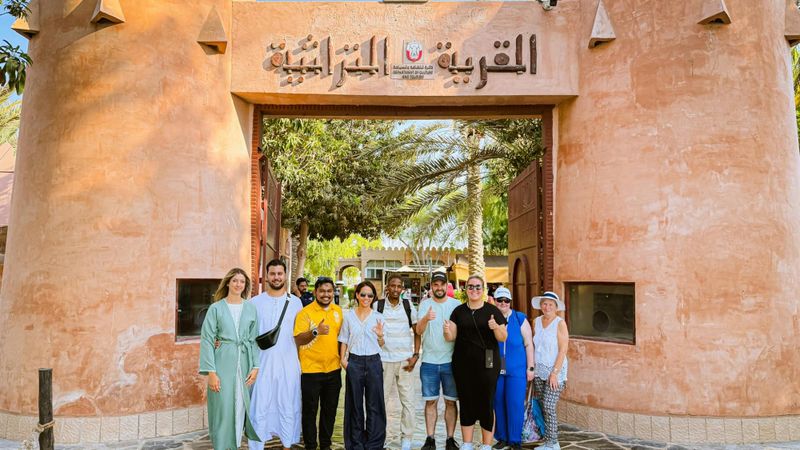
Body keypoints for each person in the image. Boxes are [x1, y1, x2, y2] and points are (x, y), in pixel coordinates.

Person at [199, 268, 261, 450]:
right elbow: (207, 340)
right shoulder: (216, 308)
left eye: (242, 282)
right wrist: (211, 372)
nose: (238, 284)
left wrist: (255, 366)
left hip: (244, 362)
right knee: (222, 408)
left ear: (245, 285)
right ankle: (221, 446)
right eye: (235, 281)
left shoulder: (250, 308)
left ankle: (234, 445)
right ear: (227, 283)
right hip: (222, 362)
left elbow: (253, 339)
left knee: (240, 406)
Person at [444, 275, 508, 450]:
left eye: (478, 287)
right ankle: (467, 443)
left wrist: (495, 327)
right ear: (466, 290)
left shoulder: (492, 311)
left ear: (484, 289)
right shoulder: (458, 311)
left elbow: (503, 337)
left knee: (486, 402)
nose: (474, 290)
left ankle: (487, 445)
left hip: (487, 364)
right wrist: (447, 331)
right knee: (466, 401)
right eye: (471, 287)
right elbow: (451, 337)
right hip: (463, 364)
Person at [248, 259, 303, 450]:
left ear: (285, 275)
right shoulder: (254, 302)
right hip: (261, 365)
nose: (276, 277)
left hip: (288, 365)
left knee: (287, 406)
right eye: (273, 273)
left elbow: (300, 336)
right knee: (259, 407)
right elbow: (247, 334)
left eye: (280, 273)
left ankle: (287, 445)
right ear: (267, 276)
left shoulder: (296, 303)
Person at [294, 277, 344, 450]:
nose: (326, 294)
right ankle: (310, 445)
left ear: (333, 293)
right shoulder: (305, 313)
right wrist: (316, 331)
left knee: (329, 411)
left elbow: (342, 339)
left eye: (329, 291)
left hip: (333, 370)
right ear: (315, 292)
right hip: (310, 371)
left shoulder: (338, 312)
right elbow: (298, 339)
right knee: (309, 412)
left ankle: (325, 445)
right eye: (322, 291)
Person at [373, 274, 420, 450]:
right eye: (392, 285)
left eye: (398, 286)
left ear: (402, 289)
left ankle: (406, 440)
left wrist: (415, 355)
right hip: (384, 361)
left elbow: (417, 332)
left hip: (405, 361)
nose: (395, 289)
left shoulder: (408, 306)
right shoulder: (378, 305)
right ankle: (380, 438)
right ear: (387, 287)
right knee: (380, 402)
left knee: (408, 402)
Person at [415, 272, 461, 450]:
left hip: (451, 362)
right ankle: (430, 439)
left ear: (447, 286)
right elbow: (418, 331)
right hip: (429, 362)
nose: (439, 287)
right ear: (431, 286)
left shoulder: (456, 305)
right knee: (430, 401)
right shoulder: (425, 305)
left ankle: (450, 439)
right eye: (436, 284)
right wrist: (426, 318)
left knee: (451, 402)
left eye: (442, 284)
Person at [339, 280, 387, 450]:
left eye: (370, 295)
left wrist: (380, 336)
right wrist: (343, 360)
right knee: (354, 405)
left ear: (374, 298)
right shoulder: (349, 316)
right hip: (355, 362)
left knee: (375, 404)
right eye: (363, 294)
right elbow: (343, 339)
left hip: (374, 361)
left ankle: (374, 443)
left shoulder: (378, 317)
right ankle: (356, 443)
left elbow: (382, 344)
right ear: (357, 295)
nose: (366, 298)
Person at [491, 287, 534, 450]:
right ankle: (502, 437)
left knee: (515, 403)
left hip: (517, 369)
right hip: (496, 369)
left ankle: (515, 440)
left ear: (510, 302)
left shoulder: (519, 318)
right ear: (495, 301)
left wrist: (531, 367)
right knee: (499, 403)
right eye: (500, 300)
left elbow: (529, 343)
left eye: (506, 301)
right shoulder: (491, 319)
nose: (503, 303)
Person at [530, 291, 569, 450]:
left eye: (550, 304)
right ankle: (547, 440)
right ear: (541, 306)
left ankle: (553, 443)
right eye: (544, 304)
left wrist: (554, 373)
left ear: (556, 307)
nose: (547, 307)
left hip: (555, 371)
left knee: (548, 405)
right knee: (541, 403)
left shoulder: (560, 323)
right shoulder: (536, 321)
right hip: (539, 370)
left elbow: (563, 349)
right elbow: (534, 346)